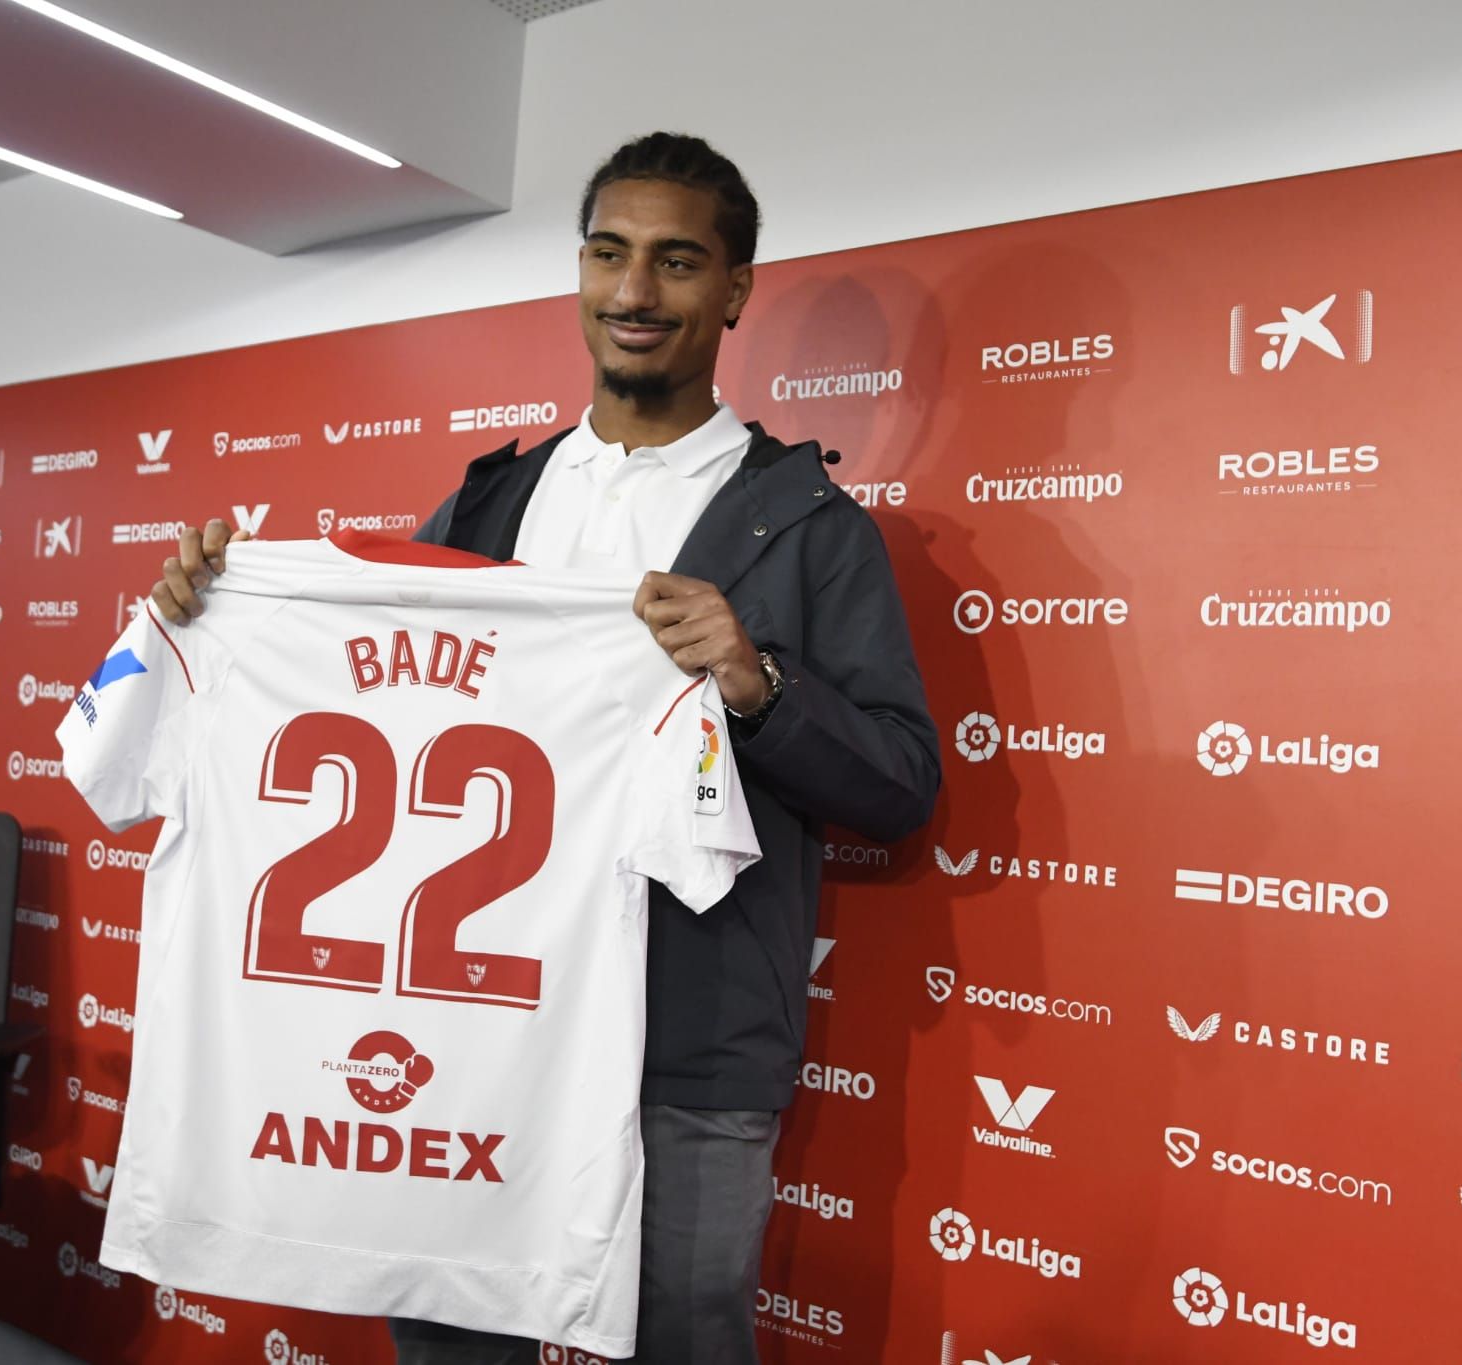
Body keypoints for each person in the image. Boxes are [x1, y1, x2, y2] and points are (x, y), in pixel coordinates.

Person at [150, 131, 940, 1364]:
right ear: (578, 270)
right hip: (473, 1023)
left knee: (683, 1338)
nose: (635, 293)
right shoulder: (482, 510)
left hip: (690, 1043)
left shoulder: (810, 529)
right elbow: (371, 705)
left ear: (733, 291)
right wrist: (220, 608)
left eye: (677, 262)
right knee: (452, 1341)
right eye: (609, 254)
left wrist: (754, 678)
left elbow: (897, 787)